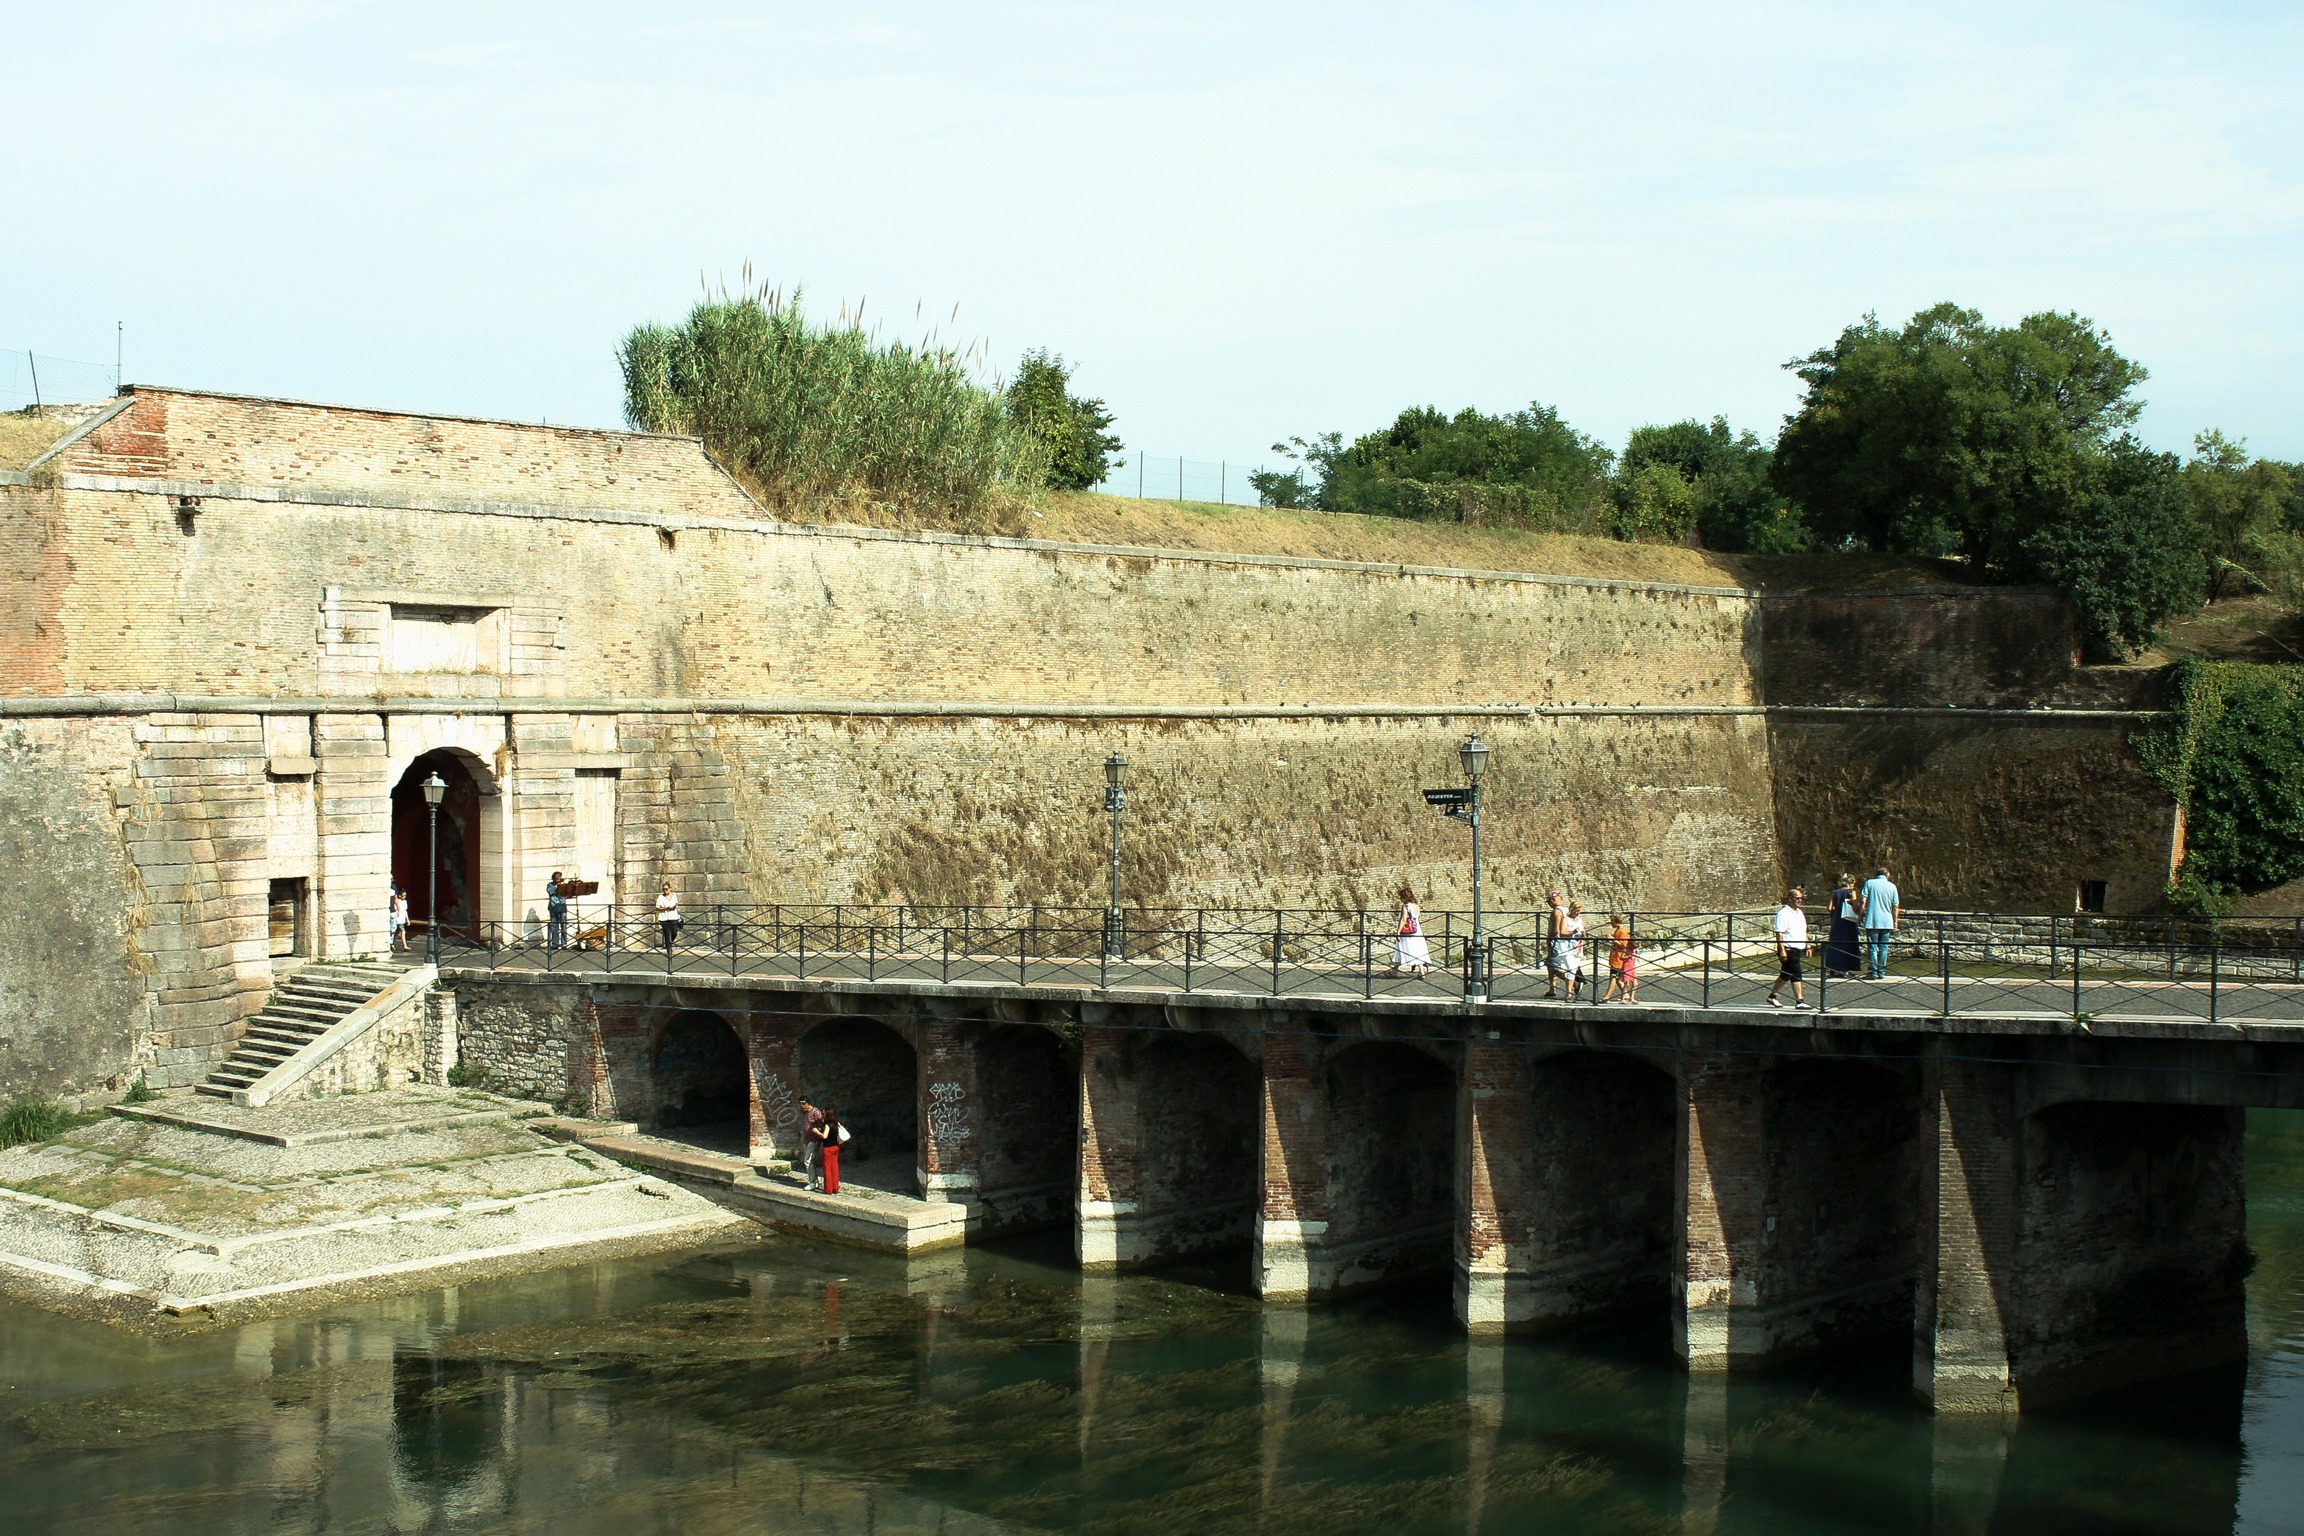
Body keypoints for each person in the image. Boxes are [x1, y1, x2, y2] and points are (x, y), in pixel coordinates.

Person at [1768, 886, 1811, 1008]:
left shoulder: (1799, 912)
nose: (1799, 900)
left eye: (1801, 898)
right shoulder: (1783, 913)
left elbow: (1804, 930)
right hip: (1788, 948)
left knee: (1786, 974)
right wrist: (1782, 950)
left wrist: (1808, 945)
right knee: (1796, 974)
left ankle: (1772, 996)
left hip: (1798, 947)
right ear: (1790, 899)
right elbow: (1779, 933)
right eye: (1797, 898)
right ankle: (1800, 1001)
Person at [1859, 865, 1901, 979]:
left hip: (1872, 919)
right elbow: (1895, 906)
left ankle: (1872, 972)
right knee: (1884, 947)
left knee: (1872, 947)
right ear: (1887, 875)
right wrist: (1895, 922)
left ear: (1876, 874)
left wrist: (1860, 915)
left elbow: (1863, 900)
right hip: (1887, 921)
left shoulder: (1869, 883)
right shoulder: (1892, 886)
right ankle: (1881, 972)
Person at [1388, 884, 1432, 978]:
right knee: (1417, 950)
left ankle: (1394, 971)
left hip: (1407, 933)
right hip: (1417, 931)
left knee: (1400, 949)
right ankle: (1421, 971)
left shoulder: (1406, 906)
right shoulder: (1416, 906)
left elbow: (1404, 920)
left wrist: (1398, 931)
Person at [1825, 872, 1860, 978]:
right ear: (1852, 883)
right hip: (1848, 921)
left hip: (1837, 920)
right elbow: (1855, 908)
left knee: (1836, 943)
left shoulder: (1835, 892)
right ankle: (1845, 969)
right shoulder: (1852, 892)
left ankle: (1833, 969)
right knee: (1847, 944)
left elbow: (1829, 908)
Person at [1603, 914, 1639, 1003]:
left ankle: (1607, 997)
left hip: (1618, 959)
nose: (1611, 924)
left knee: (1613, 977)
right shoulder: (1619, 930)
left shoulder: (1622, 931)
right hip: (1615, 958)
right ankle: (1625, 994)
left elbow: (1623, 945)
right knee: (1616, 978)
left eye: (1612, 922)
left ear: (1616, 922)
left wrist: (1612, 939)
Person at [1544, 889, 1573, 999]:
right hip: (1565, 941)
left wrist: (1549, 938)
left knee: (1554, 966)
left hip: (1556, 942)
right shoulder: (1566, 910)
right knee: (1550, 965)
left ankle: (1575, 984)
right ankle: (1552, 989)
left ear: (1553, 900)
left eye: (1549, 901)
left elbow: (1556, 930)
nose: (1549, 904)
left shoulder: (1556, 911)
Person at [1562, 901, 1588, 1002]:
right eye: (1576, 911)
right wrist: (1573, 932)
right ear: (1571, 909)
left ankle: (1571, 990)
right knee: (1571, 969)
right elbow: (1562, 933)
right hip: (1567, 948)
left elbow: (1584, 933)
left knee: (1573, 970)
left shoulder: (1580, 920)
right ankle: (1569, 993)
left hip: (1578, 948)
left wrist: (1584, 935)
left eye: (1579, 911)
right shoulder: (1565, 919)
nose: (1577, 913)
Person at [817, 1106, 845, 1195]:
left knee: (827, 1169)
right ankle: (835, 1187)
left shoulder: (827, 1125)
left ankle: (828, 1189)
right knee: (835, 1168)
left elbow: (824, 1136)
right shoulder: (837, 1123)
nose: (822, 1115)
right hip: (835, 1147)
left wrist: (817, 1132)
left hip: (828, 1148)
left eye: (823, 1113)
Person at [799, 1099, 825, 1189]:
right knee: (810, 1161)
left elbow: (821, 1127)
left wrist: (818, 1141)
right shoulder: (805, 1113)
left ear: (807, 1103)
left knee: (807, 1160)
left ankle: (813, 1182)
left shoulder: (816, 1112)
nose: (801, 1106)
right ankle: (814, 1181)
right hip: (806, 1139)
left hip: (813, 1140)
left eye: (803, 1104)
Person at [656, 879, 682, 953]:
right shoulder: (661, 897)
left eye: (666, 889)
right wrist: (666, 908)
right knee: (667, 934)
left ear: (670, 889)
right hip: (664, 918)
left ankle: (669, 944)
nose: (665, 891)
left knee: (674, 932)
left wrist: (675, 907)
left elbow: (676, 904)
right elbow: (657, 908)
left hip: (674, 917)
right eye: (663, 889)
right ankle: (669, 952)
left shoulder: (674, 895)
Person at [546, 870, 568, 950]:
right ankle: (555, 944)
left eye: (559, 877)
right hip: (553, 907)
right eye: (556, 877)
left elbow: (567, 894)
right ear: (553, 878)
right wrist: (558, 886)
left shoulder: (563, 885)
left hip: (562, 907)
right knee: (554, 926)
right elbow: (550, 892)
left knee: (564, 926)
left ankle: (564, 944)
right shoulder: (550, 885)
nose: (558, 878)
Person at [389, 886, 410, 952]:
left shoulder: (405, 902)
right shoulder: (397, 902)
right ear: (399, 895)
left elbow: (405, 911)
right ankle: (404, 945)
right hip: (397, 919)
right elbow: (395, 910)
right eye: (403, 895)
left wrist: (407, 919)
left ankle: (392, 944)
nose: (404, 897)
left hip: (402, 919)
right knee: (402, 932)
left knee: (397, 933)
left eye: (405, 895)